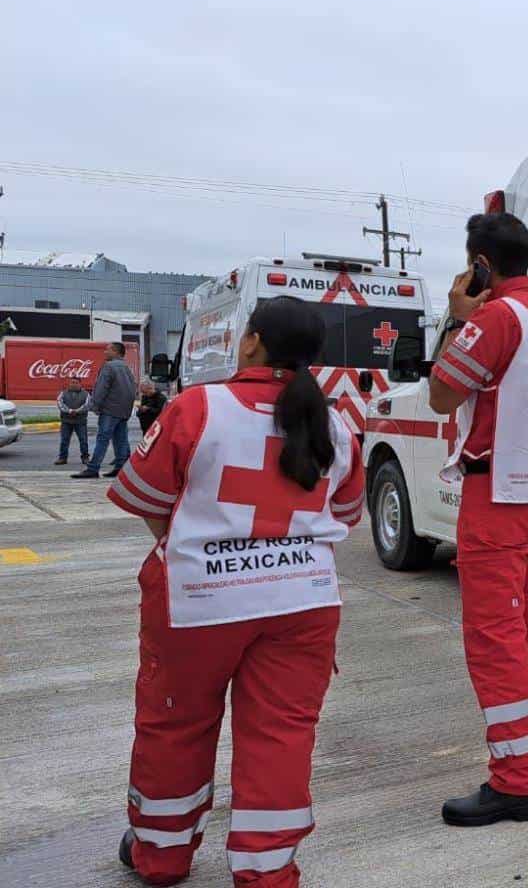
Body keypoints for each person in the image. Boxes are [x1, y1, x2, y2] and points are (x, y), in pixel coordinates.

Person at [106, 296, 365, 886]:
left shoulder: (197, 407)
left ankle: (162, 855)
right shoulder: (338, 424)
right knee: (281, 736)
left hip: (200, 604)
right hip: (303, 605)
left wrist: (207, 547)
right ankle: (268, 870)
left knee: (175, 725)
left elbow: (148, 500)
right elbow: (344, 516)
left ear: (250, 343)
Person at [428, 212, 528, 827]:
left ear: (482, 265)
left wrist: (458, 316)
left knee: (494, 636)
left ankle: (516, 782)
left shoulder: (495, 318)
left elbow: (443, 393)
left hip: (498, 494)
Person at [73, 341, 137, 479]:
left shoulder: (109, 367)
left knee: (102, 438)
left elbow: (101, 388)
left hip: (110, 410)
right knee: (121, 439)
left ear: (116, 352)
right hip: (123, 410)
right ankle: (121, 468)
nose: (105, 352)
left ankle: (93, 468)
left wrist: (95, 406)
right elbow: (133, 390)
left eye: (108, 350)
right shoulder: (127, 367)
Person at [54, 376, 91, 465]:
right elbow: (60, 403)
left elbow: (87, 405)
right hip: (66, 421)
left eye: (75, 383)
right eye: (72, 382)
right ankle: (62, 458)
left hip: (80, 421)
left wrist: (77, 411)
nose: (73, 384)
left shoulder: (86, 394)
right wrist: (69, 411)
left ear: (80, 384)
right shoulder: (63, 393)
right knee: (64, 440)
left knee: (83, 440)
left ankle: (85, 457)